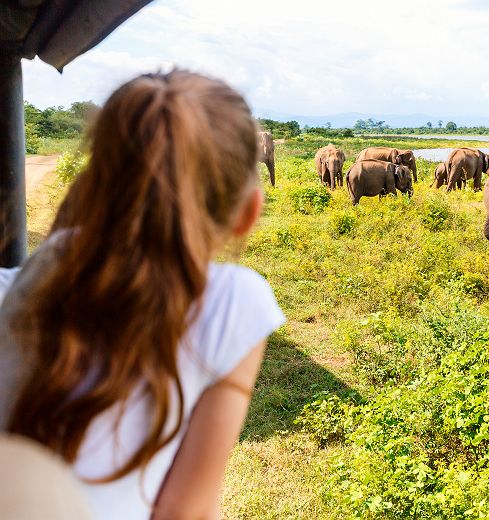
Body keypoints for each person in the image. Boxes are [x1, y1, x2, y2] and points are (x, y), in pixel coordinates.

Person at [0, 70, 285, 519]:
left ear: (90, 187)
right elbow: (184, 512)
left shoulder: (26, 278)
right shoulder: (236, 300)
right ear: (248, 214)